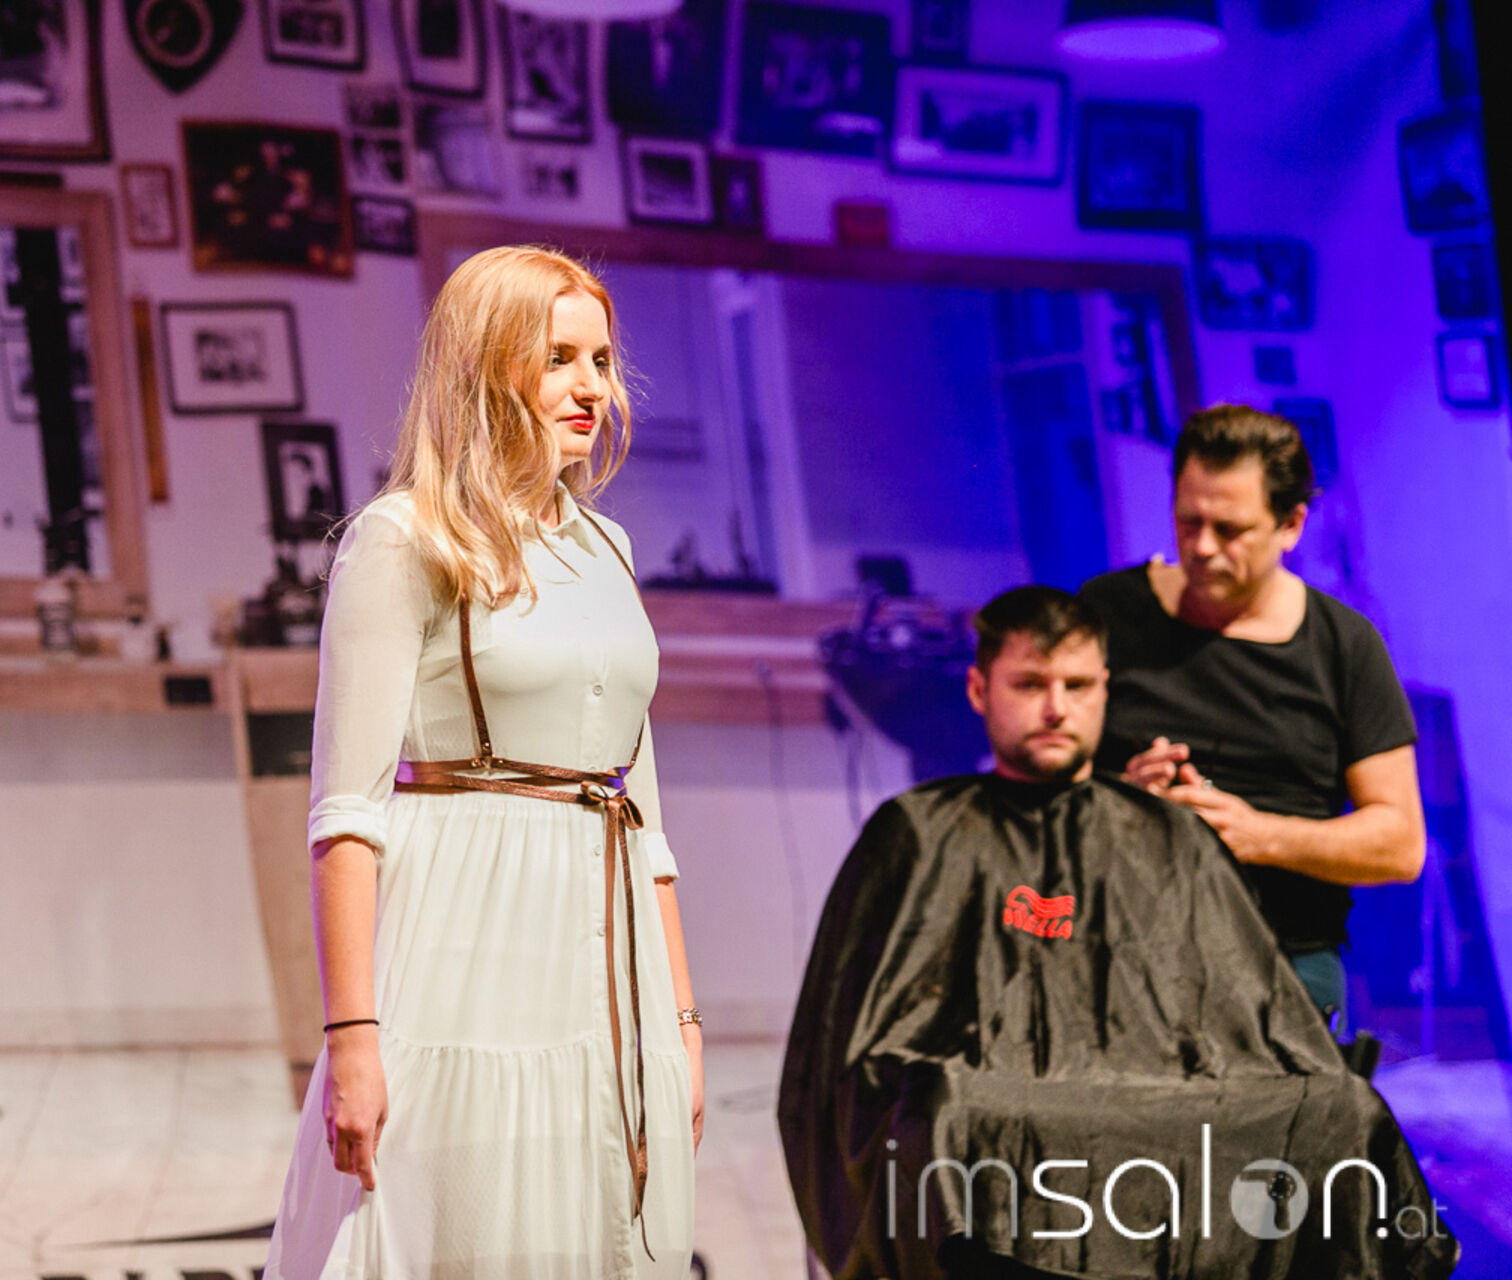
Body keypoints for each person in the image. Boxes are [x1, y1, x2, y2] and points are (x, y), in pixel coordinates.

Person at [778, 586, 1454, 1280]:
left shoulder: (1166, 835)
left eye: (1076, 686)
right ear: (980, 690)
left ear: (1105, 689)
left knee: (1341, 1109)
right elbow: (854, 1051)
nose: (1055, 708)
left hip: (1158, 1089)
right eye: (1030, 684)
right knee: (949, 1113)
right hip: (992, 1093)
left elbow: (1243, 1015)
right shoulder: (918, 833)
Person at [266, 245, 702, 1278]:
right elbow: (345, 815)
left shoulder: (608, 549)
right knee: (456, 1221)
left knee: (592, 1225)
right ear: (487, 365)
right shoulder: (403, 540)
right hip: (462, 936)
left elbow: (644, 816)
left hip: (607, 946)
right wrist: (354, 1036)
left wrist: (680, 1020)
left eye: (601, 360)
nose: (592, 387)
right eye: (558, 358)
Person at [1079, 405, 1424, 1023]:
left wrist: (1257, 834)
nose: (1202, 547)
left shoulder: (1343, 645)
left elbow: (1399, 844)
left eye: (1230, 529)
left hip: (1283, 961)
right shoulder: (1107, 612)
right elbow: (1034, 788)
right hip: (1124, 954)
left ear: (1291, 525)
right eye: (1188, 521)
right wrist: (1121, 800)